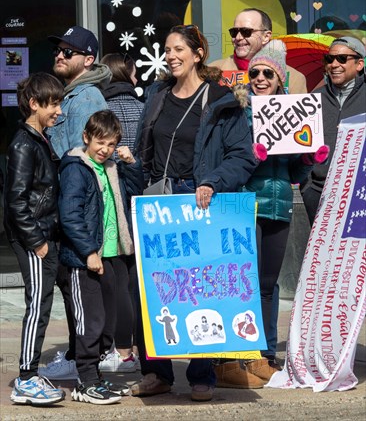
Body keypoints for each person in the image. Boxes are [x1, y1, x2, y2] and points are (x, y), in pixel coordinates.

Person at [132, 24, 257, 402]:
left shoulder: (221, 100)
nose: (170, 55)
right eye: (166, 49)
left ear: (198, 54)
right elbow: (144, 148)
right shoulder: (157, 95)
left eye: (177, 49)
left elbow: (243, 155)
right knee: (151, 289)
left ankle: (202, 373)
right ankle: (158, 372)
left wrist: (213, 181)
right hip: (157, 199)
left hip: (198, 199)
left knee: (199, 290)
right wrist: (131, 163)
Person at [215, 42, 327, 389]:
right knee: (244, 285)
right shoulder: (240, 110)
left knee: (267, 286)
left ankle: (264, 354)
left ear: (280, 80)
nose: (260, 78)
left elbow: (292, 170)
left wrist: (309, 157)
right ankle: (243, 354)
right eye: (256, 73)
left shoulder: (291, 112)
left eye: (268, 74)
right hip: (246, 204)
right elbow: (228, 159)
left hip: (278, 205)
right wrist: (253, 155)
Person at [40, 25, 111, 381]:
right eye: (58, 50)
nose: (60, 55)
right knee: (73, 287)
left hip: (76, 209)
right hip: (68, 207)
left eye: (69, 52)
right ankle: (81, 352)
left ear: (88, 59)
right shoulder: (70, 96)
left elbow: (85, 160)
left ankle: (84, 359)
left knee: (78, 287)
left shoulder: (86, 100)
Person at [58, 110, 143, 405]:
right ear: (86, 138)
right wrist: (88, 252)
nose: (105, 149)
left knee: (108, 321)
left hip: (111, 254)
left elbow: (135, 191)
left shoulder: (111, 168)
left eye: (110, 144)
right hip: (85, 259)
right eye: (100, 143)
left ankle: (96, 378)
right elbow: (70, 215)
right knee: (90, 323)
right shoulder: (76, 169)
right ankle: (85, 381)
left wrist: (132, 164)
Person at [4, 73, 65, 406]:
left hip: (44, 232)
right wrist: (36, 241)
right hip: (34, 236)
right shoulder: (23, 143)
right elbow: (16, 199)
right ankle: (26, 378)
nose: (58, 110)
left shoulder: (40, 138)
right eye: (52, 103)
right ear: (34, 104)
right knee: (38, 305)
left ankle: (30, 373)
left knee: (42, 304)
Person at [97, 53, 143, 372]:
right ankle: (138, 345)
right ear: (125, 73)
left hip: (114, 203)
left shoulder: (101, 111)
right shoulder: (146, 109)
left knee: (120, 277)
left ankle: (121, 347)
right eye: (134, 69)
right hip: (143, 199)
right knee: (137, 279)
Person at [301, 36, 366, 226]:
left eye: (342, 59)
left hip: (359, 196)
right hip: (319, 194)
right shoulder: (313, 98)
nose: (334, 64)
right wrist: (309, 190)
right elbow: (301, 146)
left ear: (359, 64)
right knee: (323, 255)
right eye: (330, 59)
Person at [209, 8, 307, 94]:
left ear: (266, 37)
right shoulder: (212, 71)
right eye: (234, 32)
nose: (238, 37)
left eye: (246, 32)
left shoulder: (294, 78)